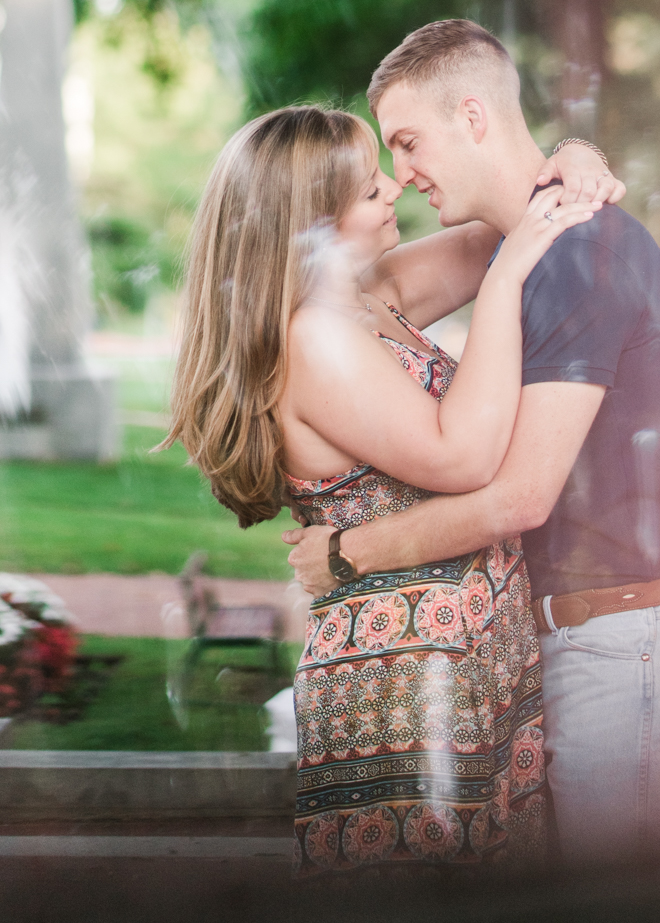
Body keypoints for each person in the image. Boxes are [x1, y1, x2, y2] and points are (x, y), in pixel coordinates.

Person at [285, 20, 660, 866]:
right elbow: (405, 290)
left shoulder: (574, 256)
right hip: (590, 644)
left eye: (410, 143)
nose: (403, 174)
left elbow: (518, 495)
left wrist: (348, 552)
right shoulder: (534, 248)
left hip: (628, 645)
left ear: (473, 115)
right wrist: (571, 150)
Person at [162, 104, 617, 876]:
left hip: (467, 652)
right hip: (404, 681)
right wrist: (506, 283)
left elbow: (504, 223)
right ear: (310, 217)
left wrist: (573, 150)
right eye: (367, 184)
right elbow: (464, 454)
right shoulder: (313, 338)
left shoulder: (370, 297)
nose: (391, 185)